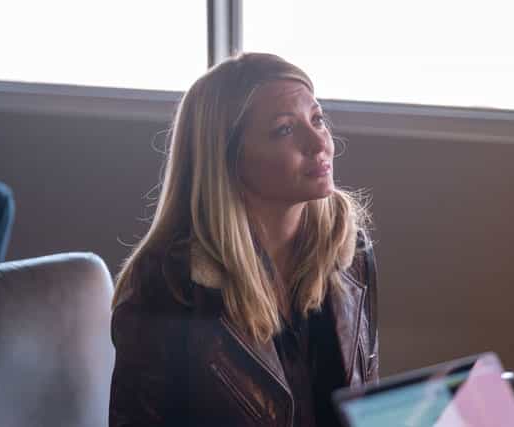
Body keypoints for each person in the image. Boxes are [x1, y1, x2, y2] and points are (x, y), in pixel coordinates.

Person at [109, 52, 379, 427]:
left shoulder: (349, 253)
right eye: (285, 130)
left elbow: (368, 409)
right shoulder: (168, 284)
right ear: (228, 158)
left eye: (317, 119)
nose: (319, 143)